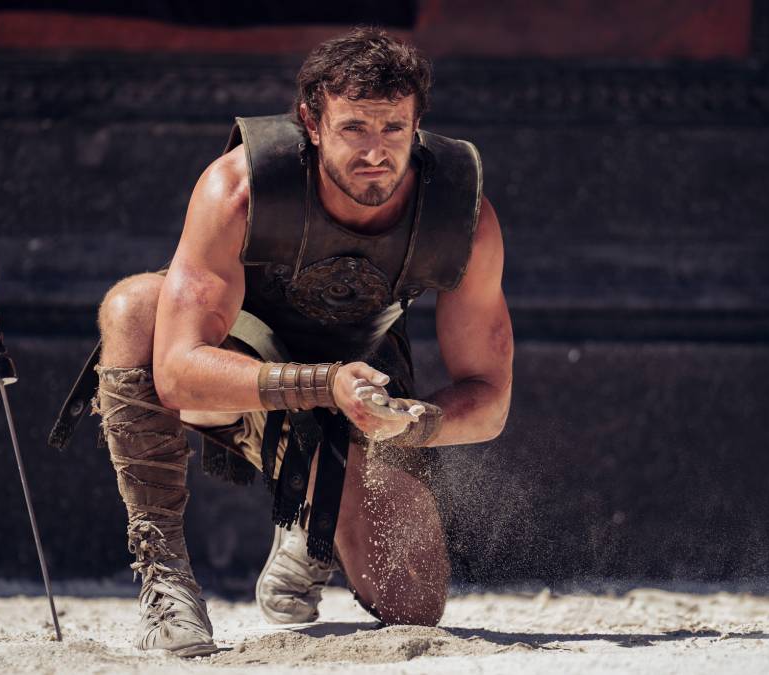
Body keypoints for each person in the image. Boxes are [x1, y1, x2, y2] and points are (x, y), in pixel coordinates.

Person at [49, 26, 513, 657]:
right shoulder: (239, 187)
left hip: (363, 402)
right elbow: (179, 373)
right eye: (354, 128)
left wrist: (406, 423)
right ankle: (167, 579)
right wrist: (323, 383)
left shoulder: (462, 214)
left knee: (412, 601)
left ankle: (310, 506)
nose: (376, 152)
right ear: (312, 122)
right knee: (134, 308)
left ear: (417, 124)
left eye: (393, 130)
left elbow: (488, 402)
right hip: (237, 377)